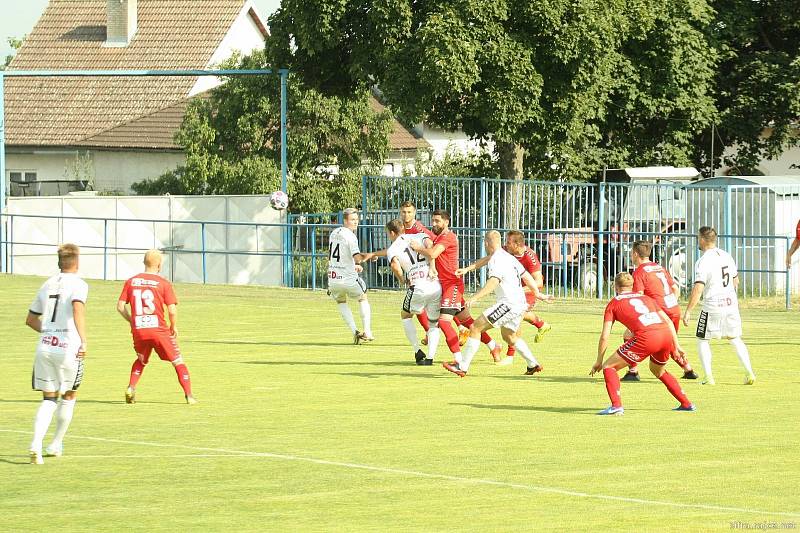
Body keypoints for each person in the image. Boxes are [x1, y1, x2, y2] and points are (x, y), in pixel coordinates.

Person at [443, 231, 552, 377]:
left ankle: (462, 367)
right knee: (509, 336)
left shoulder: (497, 259)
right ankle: (533, 364)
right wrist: (538, 294)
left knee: (475, 327)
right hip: (519, 304)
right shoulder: (507, 257)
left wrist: (476, 297)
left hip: (509, 304)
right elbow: (526, 276)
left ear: (486, 243)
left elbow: (494, 281)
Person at [591, 273, 695, 415]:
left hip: (647, 337)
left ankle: (616, 406)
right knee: (658, 370)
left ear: (615, 286)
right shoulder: (646, 298)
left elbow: (605, 336)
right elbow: (668, 321)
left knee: (609, 367)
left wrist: (599, 360)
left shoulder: (614, 303)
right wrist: (676, 345)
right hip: (665, 335)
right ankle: (686, 403)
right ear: (632, 286)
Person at [411, 210, 503, 362]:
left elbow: (433, 253)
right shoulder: (439, 236)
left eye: (437, 221)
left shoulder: (449, 237)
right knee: (467, 321)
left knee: (444, 322)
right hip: (444, 285)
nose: (434, 224)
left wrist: (418, 248)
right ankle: (494, 346)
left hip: (452, 285)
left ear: (446, 222)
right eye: (433, 220)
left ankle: (458, 359)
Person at [26, 243, 88, 464]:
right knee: (69, 395)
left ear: (58, 262)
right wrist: (83, 340)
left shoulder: (47, 284)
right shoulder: (79, 284)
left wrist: (50, 332)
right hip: (68, 348)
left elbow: (31, 320)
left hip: (45, 347)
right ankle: (55, 444)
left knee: (49, 399)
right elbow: (78, 308)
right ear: (77, 262)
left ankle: (35, 443)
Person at [117, 250, 196, 404]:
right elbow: (172, 311)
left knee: (141, 360)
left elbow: (120, 306)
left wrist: (132, 321)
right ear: (159, 265)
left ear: (144, 262)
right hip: (159, 330)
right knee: (178, 361)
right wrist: (173, 326)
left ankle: (131, 387)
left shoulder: (131, 281)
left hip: (139, 329)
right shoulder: (163, 283)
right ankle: (189, 396)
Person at [682, 227, 755, 385]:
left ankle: (708, 377)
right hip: (731, 303)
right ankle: (749, 373)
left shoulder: (703, 261)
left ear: (702, 239)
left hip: (713, 304)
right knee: (735, 338)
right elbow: (736, 281)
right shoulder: (726, 255)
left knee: (702, 339)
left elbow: (698, 287)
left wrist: (688, 311)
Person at [621, 240, 698, 381]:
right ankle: (688, 369)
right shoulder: (659, 268)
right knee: (669, 341)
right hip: (673, 310)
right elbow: (675, 289)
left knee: (628, 335)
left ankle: (633, 372)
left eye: (631, 254)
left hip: (659, 312)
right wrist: (668, 304)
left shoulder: (639, 272)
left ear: (635, 254)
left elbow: (639, 297)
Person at [399, 200, 470, 346]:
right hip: (430, 274)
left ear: (414, 213)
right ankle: (487, 342)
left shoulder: (419, 228)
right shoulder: (402, 228)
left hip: (439, 275)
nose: (406, 215)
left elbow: (432, 248)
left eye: (409, 212)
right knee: (452, 310)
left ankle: (454, 349)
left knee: (428, 306)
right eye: (404, 212)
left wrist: (431, 267)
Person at [385, 219, 442, 365]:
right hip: (434, 283)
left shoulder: (393, 248)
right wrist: (432, 266)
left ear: (392, 233)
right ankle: (430, 358)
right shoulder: (419, 236)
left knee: (405, 315)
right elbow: (431, 247)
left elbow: (395, 266)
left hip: (418, 286)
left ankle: (417, 350)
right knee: (433, 323)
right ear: (403, 228)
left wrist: (402, 279)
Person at [327, 208, 375, 344]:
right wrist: (371, 256)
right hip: (348, 278)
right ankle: (367, 331)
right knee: (363, 297)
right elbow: (358, 258)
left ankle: (355, 331)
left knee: (341, 301)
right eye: (352, 220)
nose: (355, 222)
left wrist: (351, 265)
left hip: (334, 277)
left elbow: (334, 255)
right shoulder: (351, 236)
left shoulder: (334, 233)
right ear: (345, 221)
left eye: (356, 219)